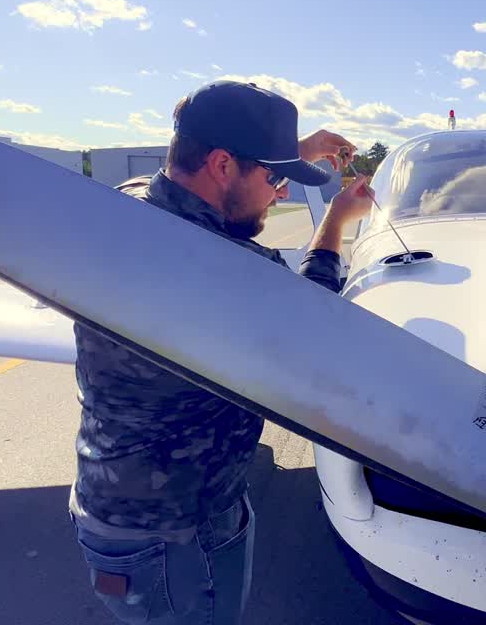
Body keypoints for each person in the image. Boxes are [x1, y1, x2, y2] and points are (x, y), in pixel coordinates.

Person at [69, 80, 374, 624]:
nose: (280, 193)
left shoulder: (126, 204)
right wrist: (336, 221)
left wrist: (287, 153)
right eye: (274, 178)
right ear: (222, 164)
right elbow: (317, 326)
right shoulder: (225, 268)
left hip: (112, 512)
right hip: (180, 538)